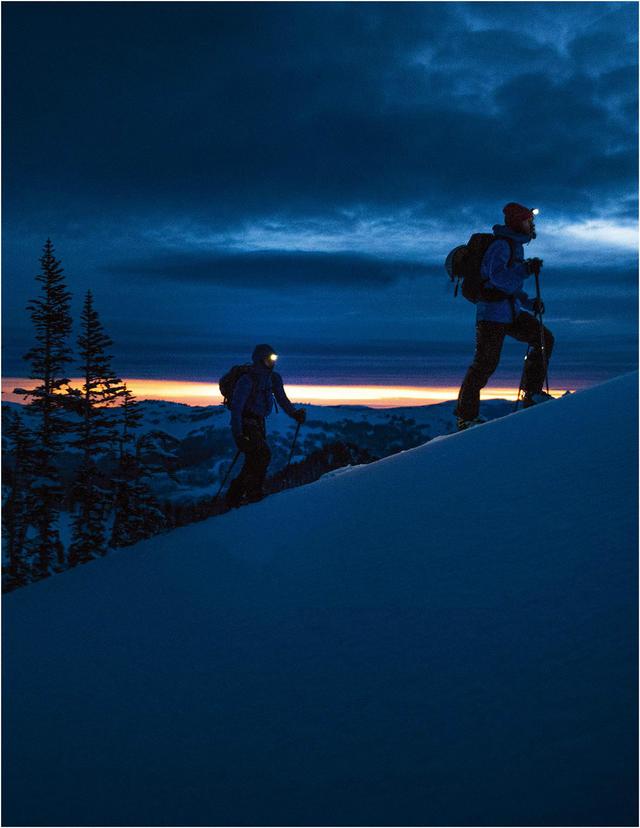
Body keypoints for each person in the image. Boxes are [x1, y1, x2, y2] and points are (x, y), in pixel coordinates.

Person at [455, 202, 555, 430]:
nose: (531, 225)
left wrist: (529, 303)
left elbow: (507, 286)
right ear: (517, 222)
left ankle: (531, 394)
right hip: (491, 315)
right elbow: (497, 277)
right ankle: (466, 417)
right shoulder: (502, 245)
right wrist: (525, 270)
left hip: (508, 312)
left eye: (531, 221)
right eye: (528, 221)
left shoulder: (514, 246)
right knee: (484, 365)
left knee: (543, 339)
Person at [226, 343, 306, 507]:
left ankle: (235, 495)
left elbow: (282, 399)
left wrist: (294, 413)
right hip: (247, 423)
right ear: (259, 359)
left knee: (254, 458)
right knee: (262, 454)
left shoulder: (273, 378)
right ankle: (252, 492)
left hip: (259, 423)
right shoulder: (246, 380)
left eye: (274, 359)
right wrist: (238, 435)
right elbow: (236, 409)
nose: (272, 362)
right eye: (269, 359)